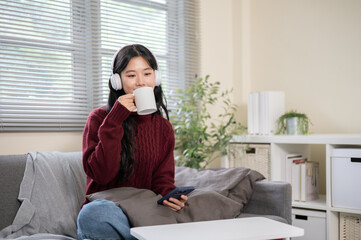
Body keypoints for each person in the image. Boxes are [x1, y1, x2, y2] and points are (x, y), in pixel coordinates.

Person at [77, 44, 188, 240]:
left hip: (143, 210)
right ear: (117, 81)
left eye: (147, 74)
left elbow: (162, 181)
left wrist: (170, 195)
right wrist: (114, 120)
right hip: (109, 207)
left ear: (156, 78)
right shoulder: (99, 119)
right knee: (94, 215)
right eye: (131, 75)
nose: (141, 83)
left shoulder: (163, 127)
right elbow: (102, 176)